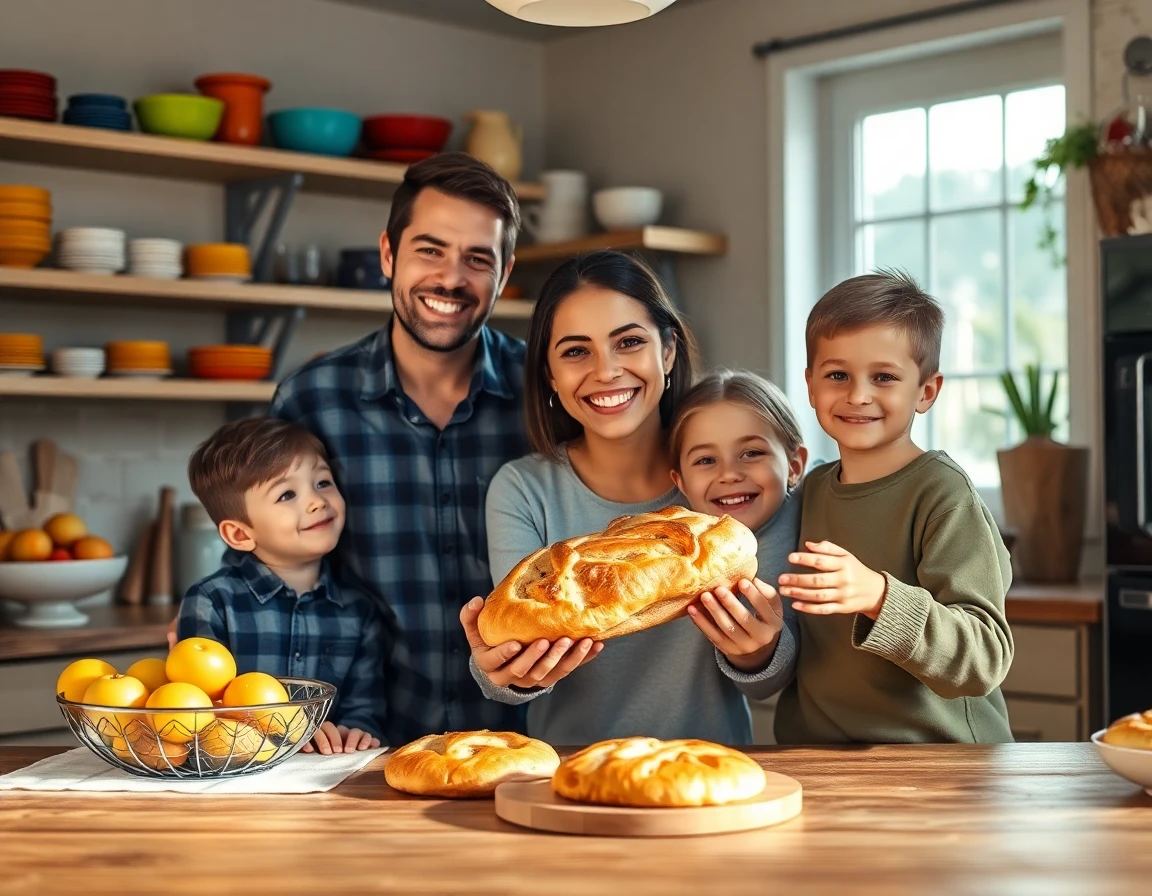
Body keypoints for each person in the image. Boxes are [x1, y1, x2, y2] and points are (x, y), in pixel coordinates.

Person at [171, 152, 531, 747]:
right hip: (360, 751)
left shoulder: (544, 395)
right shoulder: (313, 397)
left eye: (477, 258)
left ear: (504, 271)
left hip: (529, 741)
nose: (450, 278)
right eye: (430, 249)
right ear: (389, 253)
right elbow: (269, 549)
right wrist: (203, 628)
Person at [460, 250, 792, 744]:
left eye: (629, 342)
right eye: (576, 351)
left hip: (708, 770)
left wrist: (758, 652)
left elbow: (773, 681)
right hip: (571, 777)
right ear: (550, 375)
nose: (606, 370)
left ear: (668, 352)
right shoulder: (524, 490)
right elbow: (519, 651)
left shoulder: (732, 485)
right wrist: (500, 672)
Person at [774, 269, 1015, 743]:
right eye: (837, 375)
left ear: (925, 391)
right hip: (820, 763)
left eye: (883, 377)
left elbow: (985, 657)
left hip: (941, 763)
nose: (857, 394)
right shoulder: (811, 491)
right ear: (810, 385)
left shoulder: (944, 496)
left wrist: (879, 596)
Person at [176, 417, 385, 754]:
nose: (317, 501)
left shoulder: (359, 609)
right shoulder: (211, 601)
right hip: (234, 776)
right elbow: (194, 711)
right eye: (287, 494)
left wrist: (353, 732)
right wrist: (277, 735)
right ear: (241, 534)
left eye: (322, 482)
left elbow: (365, 709)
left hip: (325, 780)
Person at [668, 370, 807, 702]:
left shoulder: (818, 510)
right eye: (706, 460)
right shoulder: (682, 547)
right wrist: (753, 657)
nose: (729, 474)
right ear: (681, 483)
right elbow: (760, 685)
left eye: (751, 453)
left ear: (794, 465)